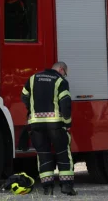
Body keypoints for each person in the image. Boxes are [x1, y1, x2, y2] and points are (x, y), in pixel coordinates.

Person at [21, 61, 75, 195]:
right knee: (63, 153)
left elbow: (24, 96)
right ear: (61, 69)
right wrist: (67, 122)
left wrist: (31, 110)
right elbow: (65, 103)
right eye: (65, 73)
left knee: (43, 155)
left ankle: (47, 188)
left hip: (36, 125)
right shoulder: (60, 81)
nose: (65, 75)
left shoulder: (33, 78)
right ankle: (66, 186)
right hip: (55, 124)